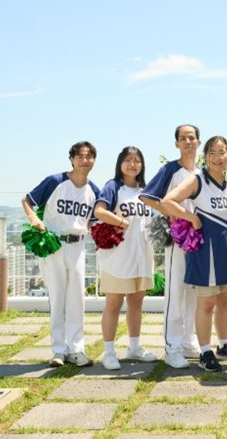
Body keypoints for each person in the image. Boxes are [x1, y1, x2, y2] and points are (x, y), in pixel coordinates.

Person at [161, 136, 227, 372]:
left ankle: (223, 344)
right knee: (207, 303)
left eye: (222, 152)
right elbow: (168, 201)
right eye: (212, 153)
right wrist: (191, 217)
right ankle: (205, 352)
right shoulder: (197, 179)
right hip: (205, 251)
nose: (218, 158)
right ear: (206, 156)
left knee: (226, 301)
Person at [22, 141, 100, 368]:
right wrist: (34, 219)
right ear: (72, 159)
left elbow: (93, 222)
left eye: (89, 157)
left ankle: (76, 349)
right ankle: (58, 350)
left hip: (78, 246)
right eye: (80, 156)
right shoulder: (55, 181)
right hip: (54, 244)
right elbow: (27, 200)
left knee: (77, 299)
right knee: (57, 298)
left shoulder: (93, 190)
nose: (85, 161)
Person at [139, 125, 201, 369]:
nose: (188, 141)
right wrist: (171, 213)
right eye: (183, 138)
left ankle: (188, 340)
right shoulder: (170, 169)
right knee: (175, 292)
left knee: (193, 292)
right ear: (176, 143)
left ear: (198, 142)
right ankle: (172, 347)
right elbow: (147, 196)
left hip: (199, 238)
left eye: (192, 137)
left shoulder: (202, 172)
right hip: (178, 237)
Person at [94, 146, 157, 370]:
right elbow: (99, 211)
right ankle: (109, 352)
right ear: (120, 163)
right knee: (114, 303)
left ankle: (134, 347)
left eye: (137, 160)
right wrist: (121, 222)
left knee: (136, 303)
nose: (133, 164)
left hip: (142, 255)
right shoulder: (113, 187)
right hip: (118, 257)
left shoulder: (146, 190)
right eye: (128, 160)